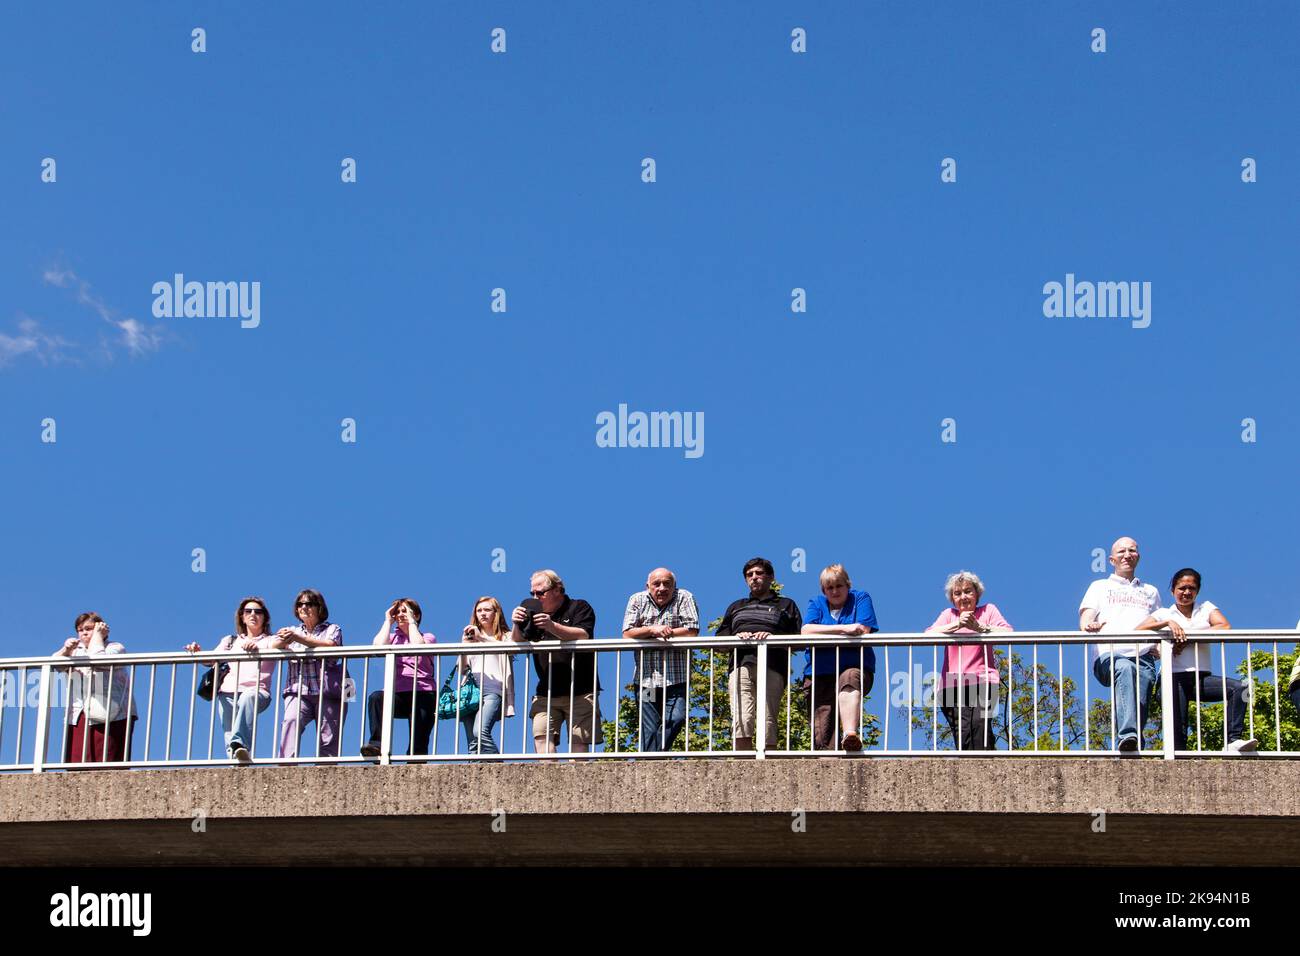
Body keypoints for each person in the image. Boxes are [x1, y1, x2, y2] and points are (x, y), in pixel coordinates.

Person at [1135, 569, 1258, 754]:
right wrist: (1168, 623)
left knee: (1241, 687)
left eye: (1191, 588)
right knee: (1179, 729)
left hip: (1200, 677)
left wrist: (1189, 639)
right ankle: (1178, 766)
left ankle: (1233, 740)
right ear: (1172, 591)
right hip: (1173, 678)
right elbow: (1139, 630)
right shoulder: (1163, 613)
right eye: (1181, 588)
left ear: (1197, 591)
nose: (1186, 592)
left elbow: (1224, 626)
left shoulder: (1206, 608)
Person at [1079, 537, 1162, 754]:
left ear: (1138, 557)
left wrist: (1159, 646)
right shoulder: (1099, 586)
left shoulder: (1150, 591)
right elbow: (1085, 617)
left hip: (1143, 655)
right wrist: (1089, 625)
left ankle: (1132, 748)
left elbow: (1157, 622)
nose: (1127, 555)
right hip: (1110, 654)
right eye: (1122, 551)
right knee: (1124, 668)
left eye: (1132, 551)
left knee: (1141, 697)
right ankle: (1127, 736)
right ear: (1111, 559)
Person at [716, 557, 803, 752]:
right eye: (749, 575)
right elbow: (719, 641)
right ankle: (743, 761)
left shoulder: (786, 604)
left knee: (768, 715)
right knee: (741, 714)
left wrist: (773, 637)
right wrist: (736, 637)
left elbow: (799, 640)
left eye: (759, 573)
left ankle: (768, 762)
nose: (754, 578)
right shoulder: (736, 606)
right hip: (741, 665)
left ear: (770, 577)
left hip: (773, 665)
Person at [512, 570, 601, 754]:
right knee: (542, 738)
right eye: (532, 594)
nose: (536, 598)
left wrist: (552, 626)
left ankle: (577, 783)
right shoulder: (532, 611)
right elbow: (517, 641)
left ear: (557, 589)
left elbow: (583, 635)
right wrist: (516, 623)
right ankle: (549, 782)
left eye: (540, 593)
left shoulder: (578, 606)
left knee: (579, 742)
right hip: (546, 690)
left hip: (581, 689)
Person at [184, 597, 282, 764]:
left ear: (265, 617)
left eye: (258, 612)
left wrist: (257, 648)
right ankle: (237, 767)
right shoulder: (230, 641)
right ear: (242, 617)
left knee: (247, 699)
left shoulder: (270, 640)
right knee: (229, 734)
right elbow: (210, 660)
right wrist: (197, 651)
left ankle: (239, 744)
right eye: (248, 611)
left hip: (257, 691)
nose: (253, 614)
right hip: (227, 692)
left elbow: (282, 642)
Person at [925, 571, 1011, 751]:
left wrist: (980, 628)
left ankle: (984, 767)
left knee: (979, 725)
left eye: (968, 591)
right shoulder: (949, 615)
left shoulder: (987, 611)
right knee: (963, 731)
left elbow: (1008, 633)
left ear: (977, 594)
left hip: (982, 679)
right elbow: (928, 635)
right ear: (952, 598)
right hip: (951, 684)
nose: (963, 597)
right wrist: (958, 624)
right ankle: (976, 769)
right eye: (958, 593)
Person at [622, 568, 700, 752]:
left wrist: (669, 632)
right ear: (648, 586)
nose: (662, 588)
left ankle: (649, 760)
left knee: (676, 719)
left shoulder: (684, 597)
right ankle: (652, 764)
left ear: (674, 586)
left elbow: (692, 630)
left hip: (676, 678)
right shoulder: (637, 599)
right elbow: (627, 633)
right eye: (657, 584)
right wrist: (652, 629)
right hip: (646, 680)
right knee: (649, 727)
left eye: (667, 584)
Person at [800, 564, 877, 752]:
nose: (834, 591)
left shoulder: (860, 598)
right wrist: (845, 629)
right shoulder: (817, 603)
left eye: (839, 586)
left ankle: (850, 735)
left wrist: (825, 633)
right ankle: (826, 765)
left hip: (854, 666)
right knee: (822, 734)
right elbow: (806, 630)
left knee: (849, 678)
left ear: (847, 585)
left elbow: (863, 629)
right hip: (819, 672)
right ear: (824, 590)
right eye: (829, 587)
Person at [54, 612, 137, 764]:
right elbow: (54, 665)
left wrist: (98, 636)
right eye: (80, 629)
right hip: (80, 713)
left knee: (108, 761)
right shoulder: (76, 650)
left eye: (89, 628)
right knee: (77, 763)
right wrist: (65, 650)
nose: (84, 632)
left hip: (113, 714)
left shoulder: (115, 647)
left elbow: (99, 661)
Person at [275, 588, 347, 759]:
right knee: (291, 722)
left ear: (319, 607)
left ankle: (326, 774)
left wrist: (297, 639)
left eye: (309, 603)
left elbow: (329, 646)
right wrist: (280, 641)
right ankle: (285, 769)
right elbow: (273, 645)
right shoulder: (291, 630)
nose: (304, 607)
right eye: (300, 604)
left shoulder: (332, 628)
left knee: (328, 737)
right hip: (298, 689)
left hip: (329, 691)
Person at [361, 599, 437, 757]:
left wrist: (412, 623)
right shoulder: (392, 637)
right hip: (398, 692)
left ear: (416, 615)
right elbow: (377, 648)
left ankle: (415, 763)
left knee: (419, 742)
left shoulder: (427, 637)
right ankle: (376, 745)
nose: (401, 615)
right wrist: (387, 620)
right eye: (398, 612)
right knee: (376, 698)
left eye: (406, 611)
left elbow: (418, 647)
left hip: (423, 692)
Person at [457, 597, 520, 755]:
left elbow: (511, 648)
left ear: (496, 613)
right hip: (470, 693)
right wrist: (464, 646)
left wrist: (482, 638)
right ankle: (474, 775)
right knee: (472, 743)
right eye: (479, 610)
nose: (482, 614)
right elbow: (462, 669)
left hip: (493, 691)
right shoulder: (472, 638)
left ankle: (500, 768)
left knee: (480, 733)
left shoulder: (505, 636)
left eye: (487, 610)